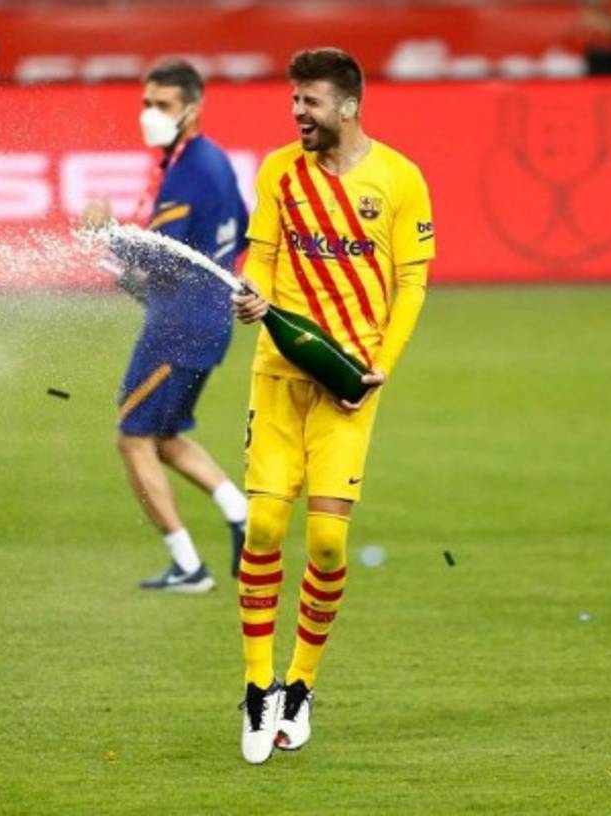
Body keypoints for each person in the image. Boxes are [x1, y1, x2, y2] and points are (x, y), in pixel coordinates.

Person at [231, 48, 434, 764]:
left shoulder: (400, 179)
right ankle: (257, 687)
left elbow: (412, 281)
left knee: (325, 543)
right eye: (295, 100)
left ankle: (300, 685)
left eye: (310, 101)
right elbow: (261, 257)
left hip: (348, 384)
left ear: (348, 106)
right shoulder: (279, 172)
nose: (298, 112)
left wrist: (384, 362)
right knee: (262, 525)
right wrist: (253, 292)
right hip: (277, 373)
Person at [84, 58, 250, 594]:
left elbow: (161, 256)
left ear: (191, 109)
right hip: (207, 320)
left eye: (162, 105)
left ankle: (188, 567)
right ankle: (240, 512)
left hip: (177, 329)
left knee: (132, 437)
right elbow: (239, 230)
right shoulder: (214, 160)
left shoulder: (188, 172)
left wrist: (106, 235)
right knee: (165, 435)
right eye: (146, 103)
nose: (149, 114)